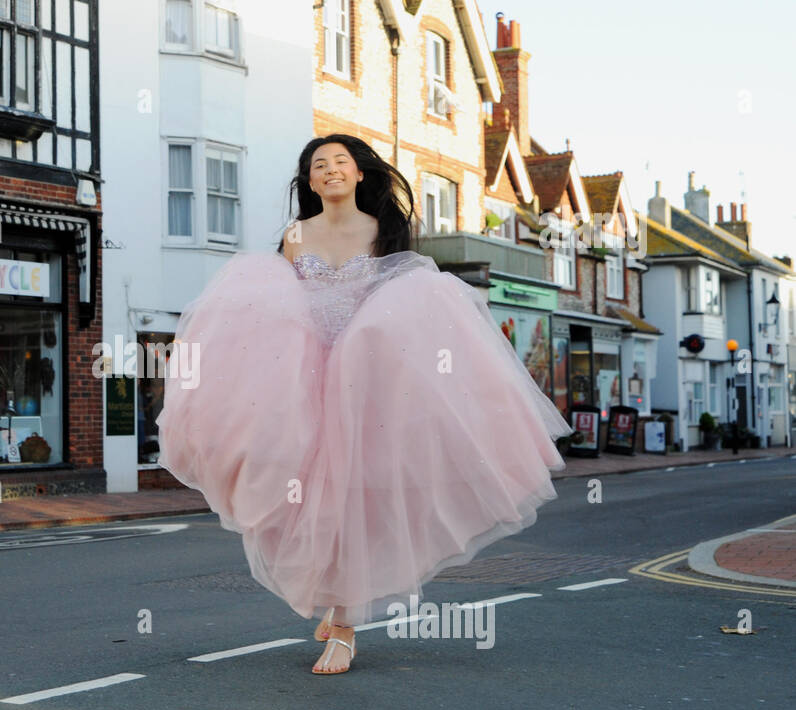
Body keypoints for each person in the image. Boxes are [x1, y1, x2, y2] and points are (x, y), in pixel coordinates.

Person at [155, 134, 574, 675]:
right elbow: (279, 303)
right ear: (308, 181)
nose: (330, 171)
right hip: (302, 379)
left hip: (366, 381)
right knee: (298, 497)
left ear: (359, 175)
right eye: (318, 165)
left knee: (353, 500)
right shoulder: (295, 235)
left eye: (340, 163)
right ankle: (334, 602)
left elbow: (396, 301)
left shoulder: (381, 231)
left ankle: (345, 626)